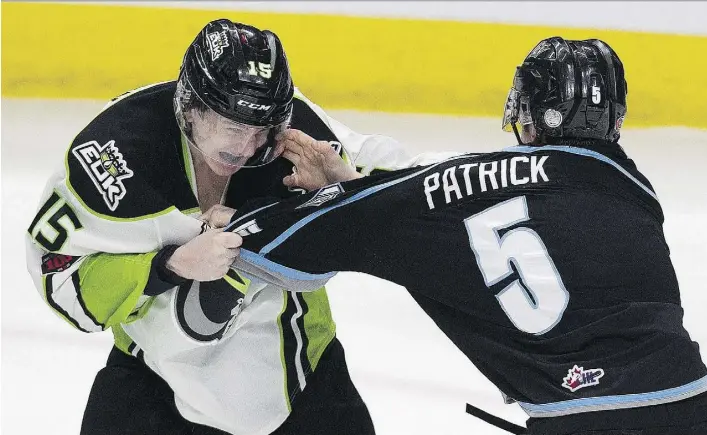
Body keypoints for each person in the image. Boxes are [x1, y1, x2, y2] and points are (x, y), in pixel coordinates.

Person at [229, 37, 707, 435]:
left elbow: (377, 218)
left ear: (531, 113)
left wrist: (235, 230)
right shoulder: (636, 194)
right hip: (696, 409)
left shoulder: (470, 185)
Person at [24, 18, 440, 435]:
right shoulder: (117, 156)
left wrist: (346, 184)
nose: (247, 148)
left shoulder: (296, 140)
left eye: (261, 130)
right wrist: (167, 267)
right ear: (191, 106)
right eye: (234, 127)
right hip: (153, 381)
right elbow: (61, 279)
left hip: (297, 381)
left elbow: (417, 189)